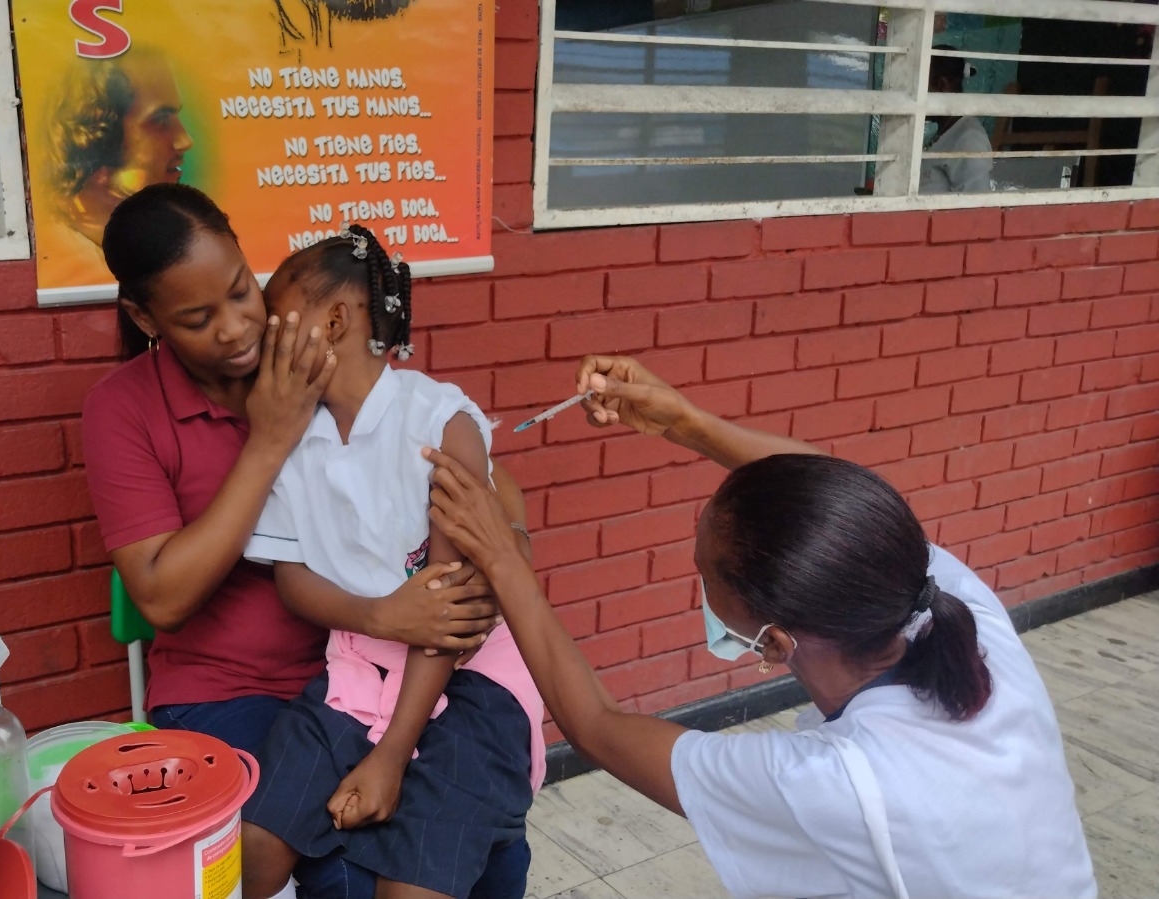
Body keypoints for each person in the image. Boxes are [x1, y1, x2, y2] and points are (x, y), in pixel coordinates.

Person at [424, 355, 1096, 899]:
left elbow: (598, 724)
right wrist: (682, 420)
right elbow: (835, 497)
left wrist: (502, 557)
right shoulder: (957, 604)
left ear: (775, 642)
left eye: (704, 571)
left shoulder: (844, 784)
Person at [80, 184, 529, 897]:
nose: (235, 329)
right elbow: (162, 597)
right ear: (145, 316)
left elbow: (453, 455)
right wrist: (269, 440)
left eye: (238, 290)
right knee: (346, 868)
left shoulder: (302, 349)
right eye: (198, 317)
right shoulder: (126, 408)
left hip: (369, 665)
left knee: (483, 843)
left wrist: (506, 545)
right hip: (239, 685)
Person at [239, 226, 542, 899]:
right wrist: (377, 614)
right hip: (357, 663)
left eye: (278, 323)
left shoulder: (440, 424)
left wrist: (390, 756)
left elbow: (451, 612)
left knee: (410, 885)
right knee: (256, 844)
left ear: (336, 320)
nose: (263, 342)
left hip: (467, 676)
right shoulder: (292, 437)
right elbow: (293, 580)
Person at [37, 49, 193, 288]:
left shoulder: (151, 246)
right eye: (160, 120)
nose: (185, 141)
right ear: (98, 138)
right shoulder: (77, 263)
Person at [921, 47, 993, 194]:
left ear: (942, 85)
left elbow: (975, 207)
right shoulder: (943, 133)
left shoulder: (969, 138)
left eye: (920, 87)